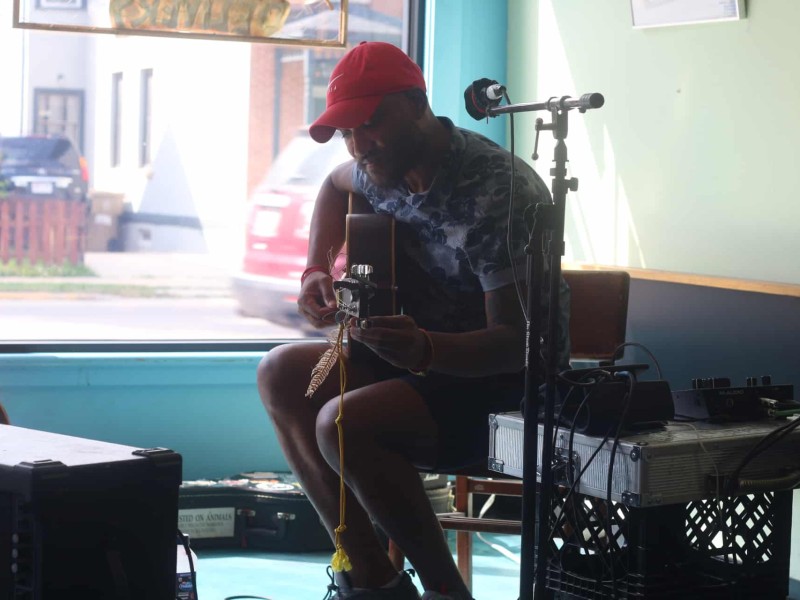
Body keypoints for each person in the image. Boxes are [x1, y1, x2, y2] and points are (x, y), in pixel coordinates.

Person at [257, 41, 569, 600]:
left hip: (499, 389)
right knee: (280, 372)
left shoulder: (499, 193)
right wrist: (313, 269)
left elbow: (518, 346)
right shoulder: (381, 168)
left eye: (369, 125)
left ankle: (446, 591)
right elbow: (334, 184)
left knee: (343, 423)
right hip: (416, 364)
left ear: (417, 106)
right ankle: (373, 579)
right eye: (347, 132)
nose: (358, 145)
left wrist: (425, 350)